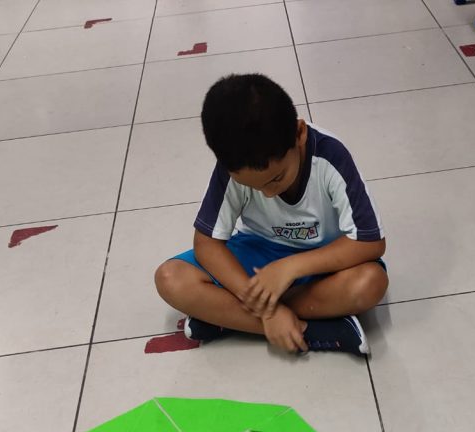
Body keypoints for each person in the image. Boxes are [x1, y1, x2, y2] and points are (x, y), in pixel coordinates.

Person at [154, 74, 388, 356]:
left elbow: (370, 242)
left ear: (299, 134)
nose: (267, 194)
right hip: (259, 256)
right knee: (171, 278)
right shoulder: (233, 165)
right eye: (253, 186)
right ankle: (313, 329)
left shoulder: (330, 156)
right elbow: (206, 244)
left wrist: (289, 269)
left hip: (325, 262)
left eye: (276, 178)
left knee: (369, 283)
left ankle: (228, 318)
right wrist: (269, 311)